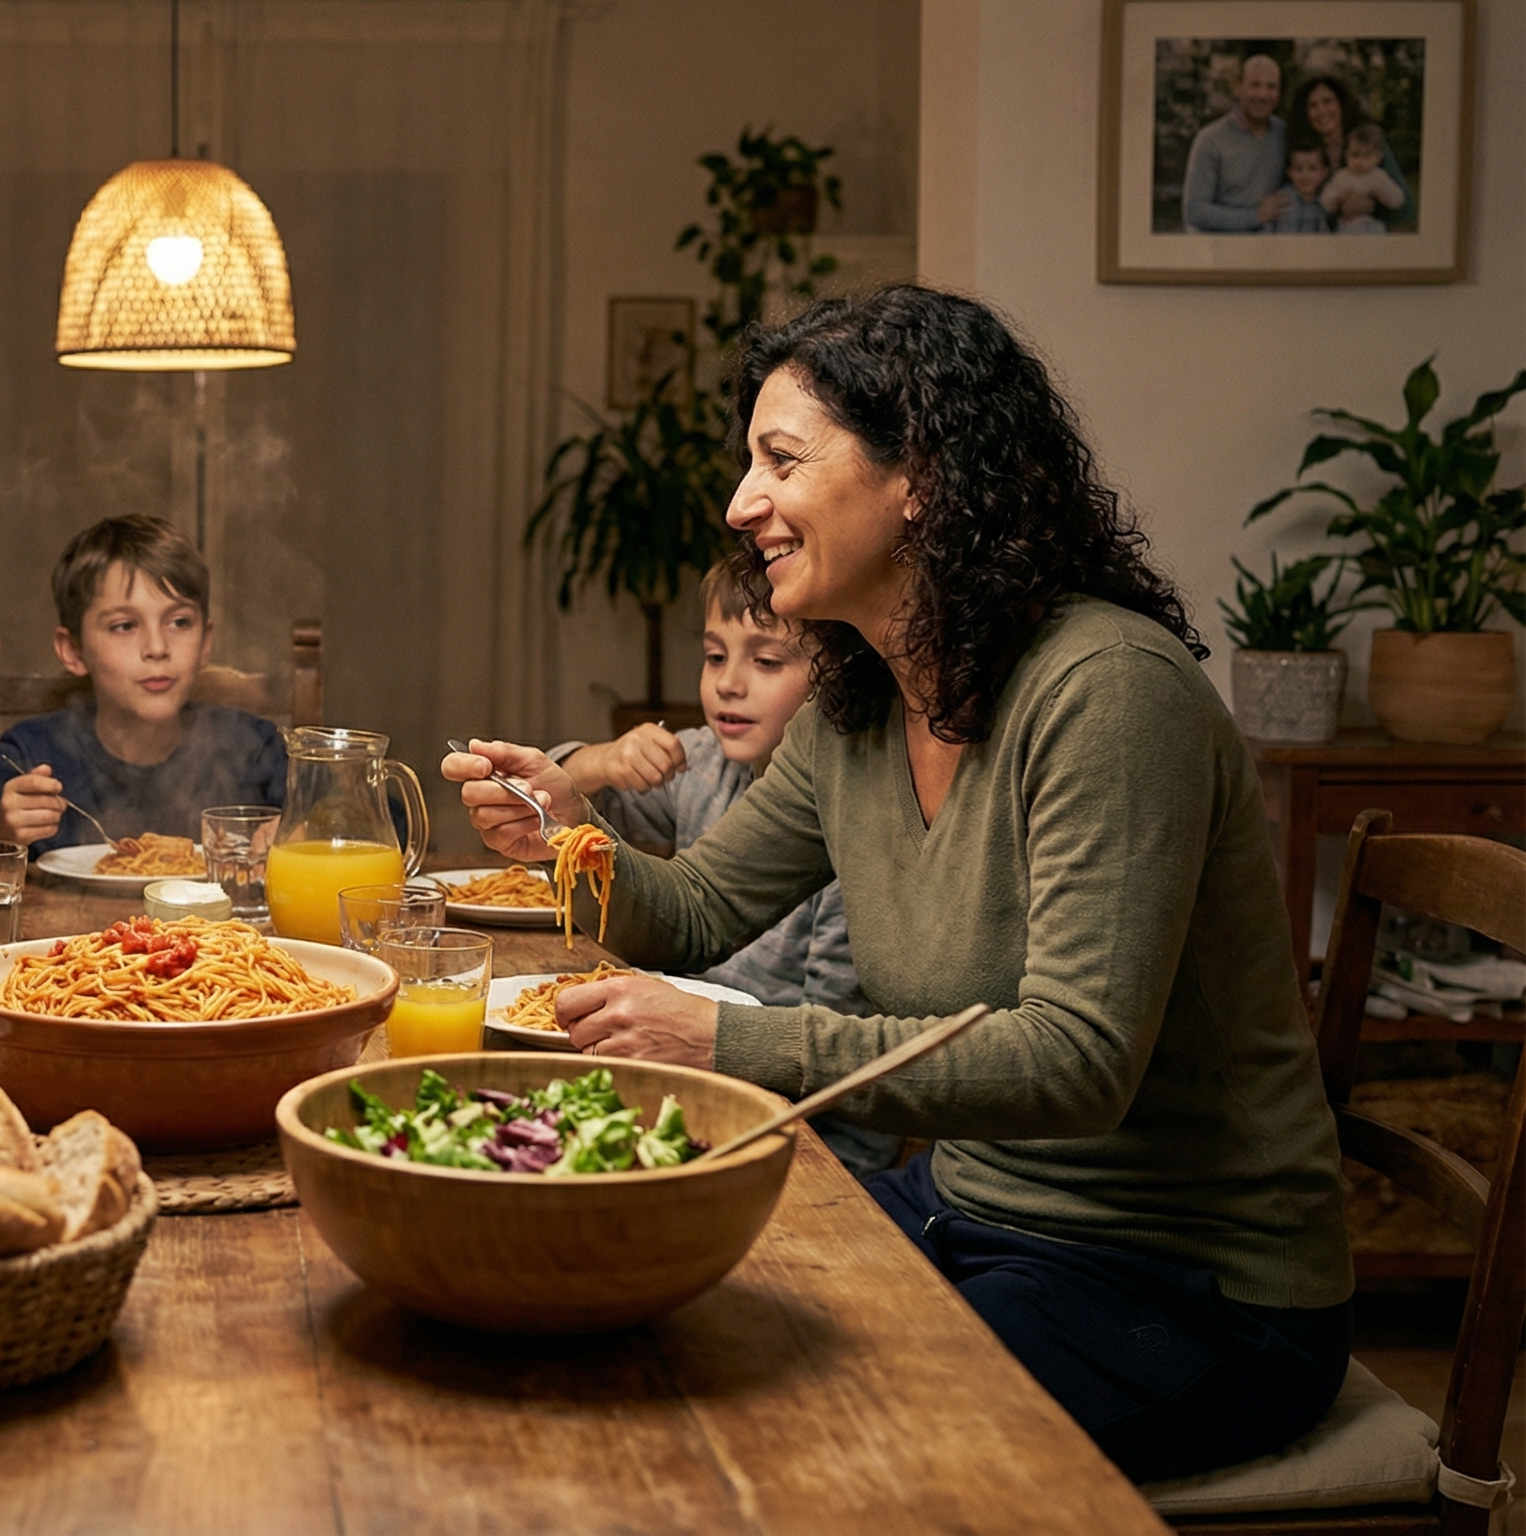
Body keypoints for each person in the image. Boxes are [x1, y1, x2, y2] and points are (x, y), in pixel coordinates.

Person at [445, 285, 1350, 1485]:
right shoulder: (862, 702)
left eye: (780, 461)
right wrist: (569, 836)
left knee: (797, 1446)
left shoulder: (1108, 692)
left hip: (1183, 1286)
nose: (740, 503)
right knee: (635, 1321)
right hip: (967, 1214)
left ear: (917, 473)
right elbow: (699, 909)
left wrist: (726, 1042)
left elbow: (1078, 1062)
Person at [525, 560, 891, 1175]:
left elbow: (835, 1051)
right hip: (683, 1076)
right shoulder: (702, 765)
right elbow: (580, 812)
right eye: (714, 657)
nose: (729, 684)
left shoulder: (851, 819)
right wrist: (601, 761)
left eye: (766, 662)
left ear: (837, 678)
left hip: (807, 1135)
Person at [0, 513, 285, 854]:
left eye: (179, 622)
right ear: (73, 650)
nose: (157, 648)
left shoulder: (257, 749)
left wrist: (298, 832)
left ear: (205, 642)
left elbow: (320, 823)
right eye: (124, 626)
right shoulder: (28, 754)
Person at [1181, 52, 1289, 232]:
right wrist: (1255, 217)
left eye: (1271, 87)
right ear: (1238, 88)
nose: (1263, 95)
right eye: (1255, 85)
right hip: (1221, 244)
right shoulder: (1210, 140)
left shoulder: (1284, 134)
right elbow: (1195, 211)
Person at [1293, 75, 1415, 231]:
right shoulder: (1306, 149)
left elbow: (1406, 209)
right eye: (1313, 106)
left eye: (1327, 101)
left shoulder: (1366, 141)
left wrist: (1370, 207)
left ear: (1341, 103)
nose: (1322, 111)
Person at [1321, 123, 1405, 233]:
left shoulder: (1379, 176)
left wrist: (1381, 193)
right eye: (1355, 155)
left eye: (1366, 156)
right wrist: (1338, 199)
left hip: (1372, 225)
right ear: (1346, 154)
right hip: (1346, 226)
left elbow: (1397, 200)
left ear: (1378, 157)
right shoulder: (1342, 176)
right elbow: (1326, 202)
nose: (1360, 161)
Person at [1265, 141, 1333, 233]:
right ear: (1290, 172)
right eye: (1299, 169)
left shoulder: (1327, 203)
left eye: (1312, 168)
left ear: (1325, 173)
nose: (1305, 176)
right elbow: (1266, 233)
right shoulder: (1281, 200)